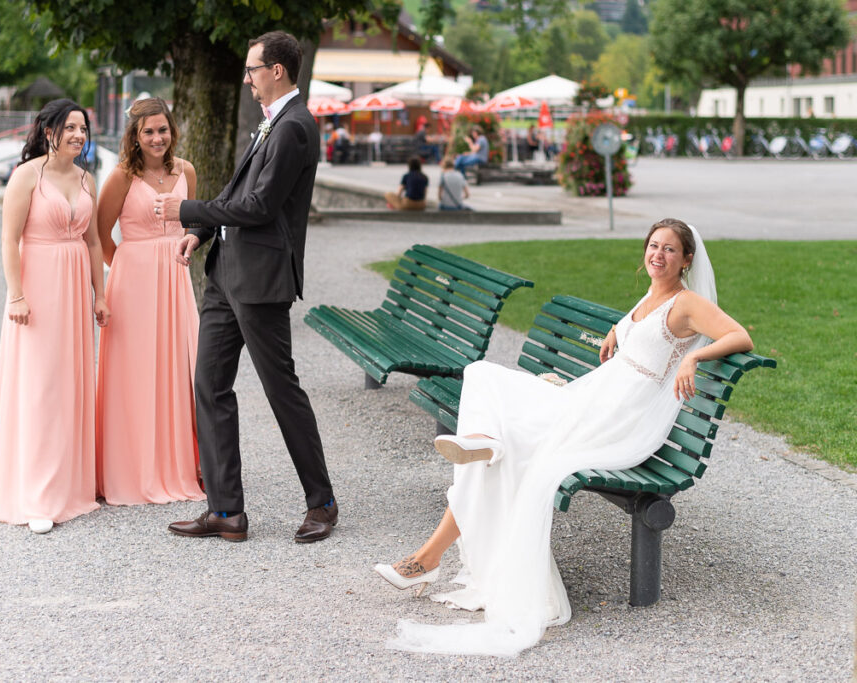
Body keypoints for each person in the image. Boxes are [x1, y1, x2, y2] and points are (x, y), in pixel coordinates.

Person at [374, 219, 753, 656]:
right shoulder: (653, 294)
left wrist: (695, 358)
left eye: (669, 249)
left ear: (686, 259)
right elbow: (645, 335)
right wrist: (620, 330)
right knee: (482, 385)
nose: (658, 255)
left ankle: (428, 557)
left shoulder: (686, 303)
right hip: (594, 400)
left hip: (615, 420)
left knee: (499, 439)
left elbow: (739, 334)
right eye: (653, 246)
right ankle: (433, 547)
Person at [156, 31, 337, 544]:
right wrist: (201, 231)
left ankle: (322, 502)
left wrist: (184, 209)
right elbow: (240, 194)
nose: (247, 78)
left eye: (252, 69)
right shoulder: (271, 124)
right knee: (209, 386)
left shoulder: (295, 127)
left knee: (282, 391)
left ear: (277, 70)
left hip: (260, 281)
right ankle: (226, 511)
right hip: (225, 275)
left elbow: (260, 208)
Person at [0, 99, 110, 534]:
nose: (78, 134)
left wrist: (100, 294)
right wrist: (16, 295)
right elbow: (7, 239)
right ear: (47, 131)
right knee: (39, 385)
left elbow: (93, 243)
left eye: (82, 128)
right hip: (37, 289)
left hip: (74, 290)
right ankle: (34, 493)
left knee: (71, 382)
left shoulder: (86, 178)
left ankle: (71, 485)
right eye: (69, 127)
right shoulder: (25, 177)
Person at [94, 97, 205, 506]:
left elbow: (192, 223)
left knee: (181, 366)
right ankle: (130, 466)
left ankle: (180, 463)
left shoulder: (185, 172)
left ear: (172, 131)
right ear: (135, 137)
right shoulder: (123, 176)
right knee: (135, 371)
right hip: (134, 281)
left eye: (163, 130)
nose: (157, 138)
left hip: (175, 280)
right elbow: (99, 233)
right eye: (148, 132)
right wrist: (125, 266)